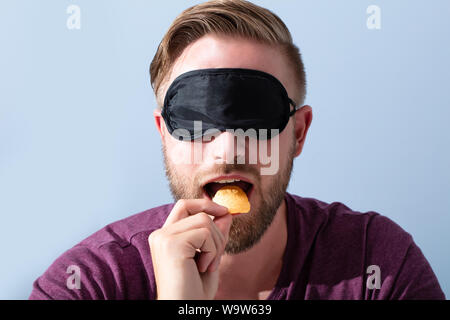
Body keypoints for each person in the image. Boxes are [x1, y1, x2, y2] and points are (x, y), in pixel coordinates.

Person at [29, 0, 445, 300]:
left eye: (256, 120)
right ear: (163, 133)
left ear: (298, 134)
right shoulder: (88, 284)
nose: (228, 150)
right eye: (196, 121)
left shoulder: (379, 267)